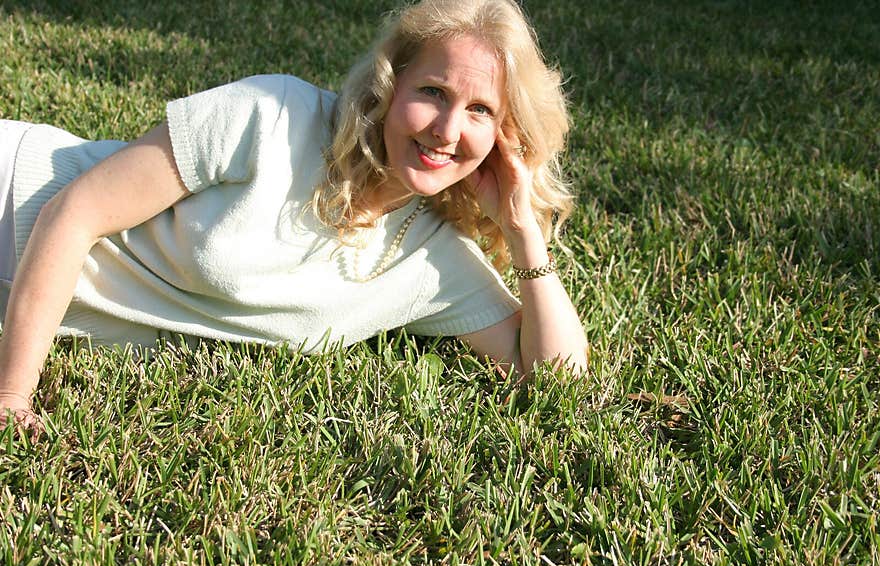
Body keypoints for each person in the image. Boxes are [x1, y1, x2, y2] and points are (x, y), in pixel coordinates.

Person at [0, 0, 588, 434]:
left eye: (480, 110)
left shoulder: (432, 259)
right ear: (390, 83)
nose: (446, 130)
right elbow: (72, 212)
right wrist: (12, 395)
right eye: (433, 91)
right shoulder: (272, 116)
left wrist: (524, 236)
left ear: (503, 138)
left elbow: (556, 378)